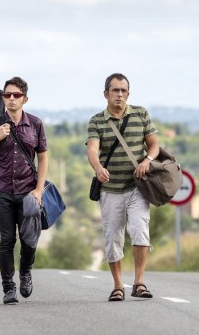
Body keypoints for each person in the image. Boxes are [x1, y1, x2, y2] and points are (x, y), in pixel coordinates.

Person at [0, 76, 48, 305]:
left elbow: (43, 158)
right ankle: (8, 288)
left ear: (25, 99)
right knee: (7, 240)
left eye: (16, 95)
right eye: (7, 95)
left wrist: (39, 190)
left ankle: (25, 272)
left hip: (27, 191)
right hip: (2, 190)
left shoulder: (35, 124)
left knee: (29, 239)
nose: (11, 99)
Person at [86, 73, 160, 302]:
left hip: (137, 187)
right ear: (106, 93)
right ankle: (118, 285)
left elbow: (154, 144)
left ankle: (139, 282)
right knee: (113, 238)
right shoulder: (97, 121)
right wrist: (98, 167)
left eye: (123, 90)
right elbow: (92, 149)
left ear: (128, 93)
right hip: (110, 189)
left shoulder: (140, 114)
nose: (119, 94)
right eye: (115, 90)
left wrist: (147, 160)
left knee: (140, 231)